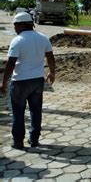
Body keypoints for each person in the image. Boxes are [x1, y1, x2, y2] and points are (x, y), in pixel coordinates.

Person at [0, 12, 56, 149]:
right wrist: (52, 72)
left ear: (21, 24)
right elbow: (50, 57)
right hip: (37, 81)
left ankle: (18, 142)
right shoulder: (43, 38)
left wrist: (4, 83)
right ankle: (34, 139)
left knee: (18, 112)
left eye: (15, 25)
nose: (14, 28)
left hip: (20, 82)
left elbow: (11, 63)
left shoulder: (18, 40)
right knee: (36, 111)